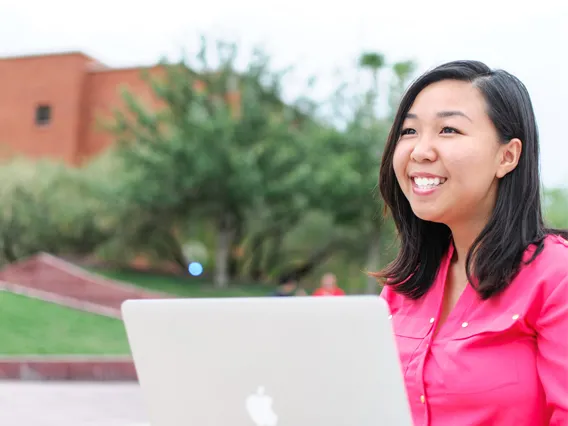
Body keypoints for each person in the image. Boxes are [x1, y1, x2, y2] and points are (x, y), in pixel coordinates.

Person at [374, 60, 568, 426]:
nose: (420, 151)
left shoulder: (556, 277)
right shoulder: (404, 287)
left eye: (448, 129)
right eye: (409, 131)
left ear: (506, 156)